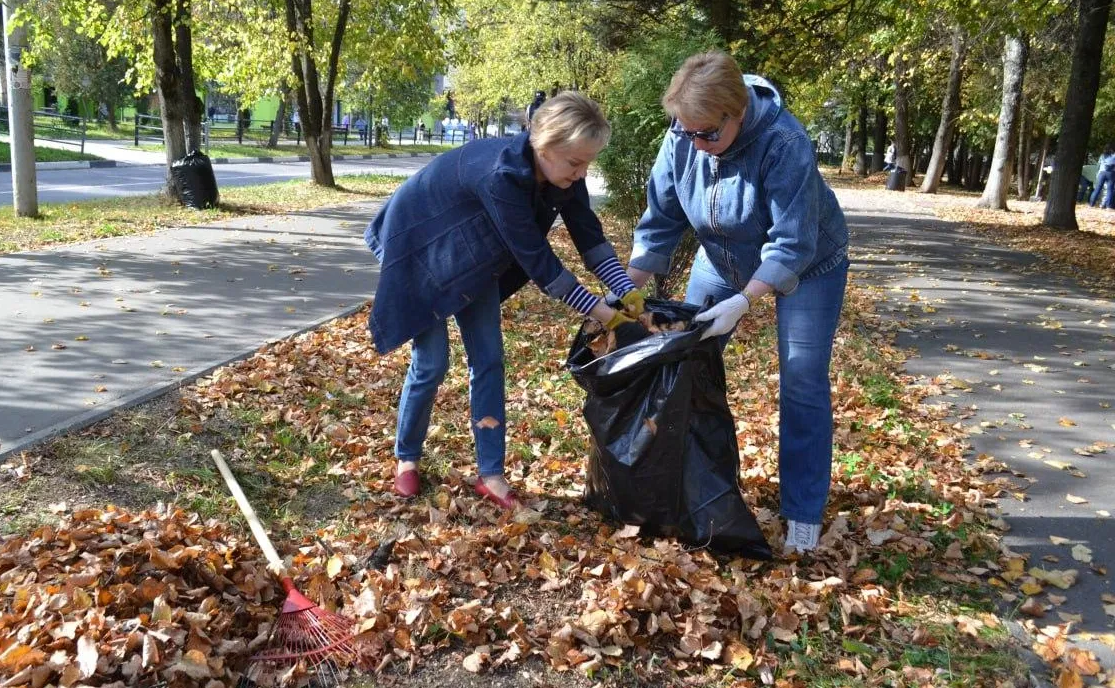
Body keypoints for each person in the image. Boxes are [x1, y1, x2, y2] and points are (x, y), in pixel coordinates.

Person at [364, 92, 648, 510]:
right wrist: (604, 313)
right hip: (420, 246)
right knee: (432, 361)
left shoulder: (563, 173)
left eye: (588, 162)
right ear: (545, 146)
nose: (582, 172)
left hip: (474, 255)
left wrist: (627, 290)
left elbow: (587, 234)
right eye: (575, 163)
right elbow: (538, 260)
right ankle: (406, 459)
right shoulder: (501, 176)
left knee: (489, 358)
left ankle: (491, 474)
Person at [624, 51, 849, 554]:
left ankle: (803, 515)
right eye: (688, 133)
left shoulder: (784, 142)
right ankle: (684, 485)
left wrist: (745, 302)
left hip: (810, 264)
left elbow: (792, 243)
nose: (699, 146)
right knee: (682, 359)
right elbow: (660, 219)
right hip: (721, 258)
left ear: (738, 112)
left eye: (709, 134)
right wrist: (628, 289)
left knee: (801, 379)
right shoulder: (685, 135)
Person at [1090, 144, 1114, 209]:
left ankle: (1091, 205)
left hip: (1101, 173)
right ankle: (1108, 206)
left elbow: (1098, 165)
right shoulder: (1114, 156)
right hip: (1111, 173)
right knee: (1110, 190)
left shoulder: (1102, 156)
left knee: (1097, 189)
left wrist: (1097, 173)